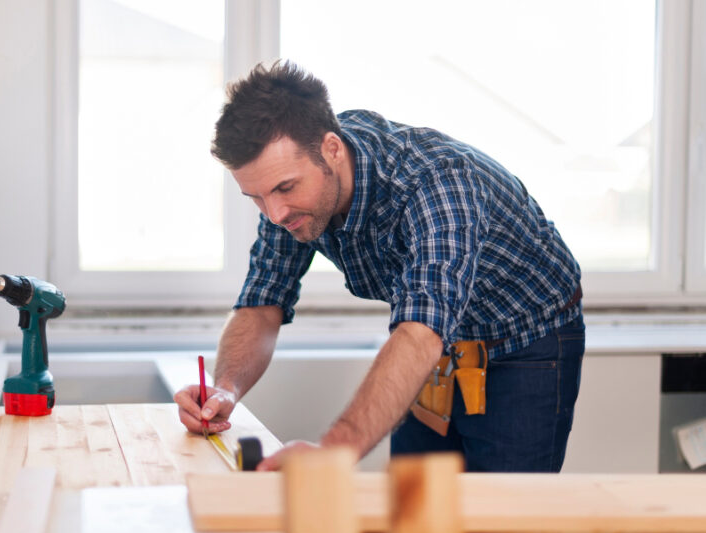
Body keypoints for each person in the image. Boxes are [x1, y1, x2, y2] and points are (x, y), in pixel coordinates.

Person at [173, 61, 585, 472]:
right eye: (257, 198)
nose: (275, 213)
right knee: (410, 509)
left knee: (498, 518)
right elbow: (263, 299)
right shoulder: (289, 190)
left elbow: (422, 331)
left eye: (285, 188)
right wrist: (224, 390)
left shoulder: (436, 181)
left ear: (332, 150)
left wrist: (335, 451)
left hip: (524, 340)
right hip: (437, 352)